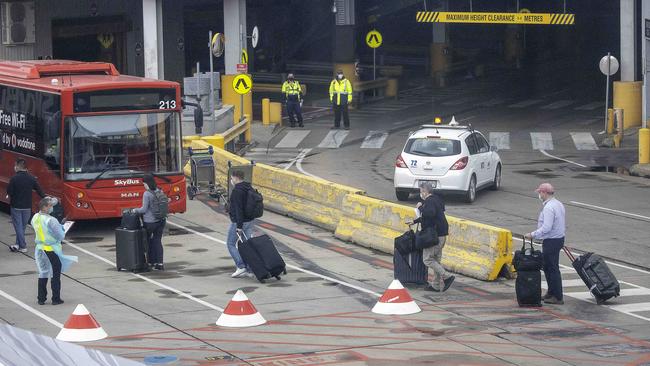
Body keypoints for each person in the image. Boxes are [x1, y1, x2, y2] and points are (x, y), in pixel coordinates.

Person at [409, 182, 455, 292]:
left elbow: (429, 213)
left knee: (427, 259)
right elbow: (432, 217)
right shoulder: (437, 199)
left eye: (421, 192)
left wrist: (420, 208)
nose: (421, 194)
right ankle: (435, 285)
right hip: (442, 235)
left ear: (425, 192)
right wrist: (414, 221)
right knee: (436, 260)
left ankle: (447, 276)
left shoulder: (429, 201)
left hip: (435, 236)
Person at [525, 183, 566, 305]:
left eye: (540, 192)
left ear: (545, 193)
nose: (539, 195)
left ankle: (557, 296)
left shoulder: (549, 208)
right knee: (548, 267)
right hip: (558, 239)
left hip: (551, 240)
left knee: (552, 268)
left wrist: (532, 234)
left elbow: (547, 227)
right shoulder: (558, 204)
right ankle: (551, 292)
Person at [32, 197, 77, 305]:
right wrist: (62, 228)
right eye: (51, 206)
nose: (52, 207)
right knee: (55, 273)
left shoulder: (35, 217)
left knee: (43, 272)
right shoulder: (51, 220)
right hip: (51, 249)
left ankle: (41, 298)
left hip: (39, 248)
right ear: (45, 207)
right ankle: (56, 298)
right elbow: (60, 236)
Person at [6, 158, 46, 253]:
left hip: (16, 206)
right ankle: (17, 244)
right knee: (22, 227)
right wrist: (45, 198)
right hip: (27, 207)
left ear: (18, 166)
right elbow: (39, 190)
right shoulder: (31, 178)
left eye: (15, 165)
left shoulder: (14, 178)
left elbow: (9, 192)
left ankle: (23, 246)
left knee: (18, 227)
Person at [133, 174, 166, 271]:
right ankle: (159, 264)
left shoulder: (147, 194)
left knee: (146, 242)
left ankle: (149, 262)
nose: (143, 186)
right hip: (161, 220)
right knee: (157, 241)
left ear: (146, 183)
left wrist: (135, 210)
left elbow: (143, 209)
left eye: (143, 184)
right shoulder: (160, 190)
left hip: (150, 222)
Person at [226, 170, 255, 278]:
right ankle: (250, 269)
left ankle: (240, 266)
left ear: (235, 178)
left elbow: (239, 210)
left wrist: (239, 226)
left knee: (230, 244)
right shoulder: (249, 187)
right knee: (246, 245)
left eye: (232, 178)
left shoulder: (237, 191)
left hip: (240, 222)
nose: (231, 181)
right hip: (250, 220)